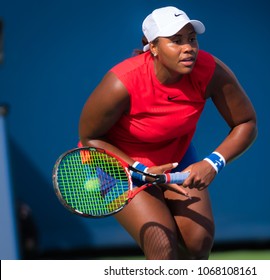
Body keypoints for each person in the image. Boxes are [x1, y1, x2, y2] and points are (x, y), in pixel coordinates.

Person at [78, 6, 257, 260]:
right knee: (162, 248)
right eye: (176, 41)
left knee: (198, 244)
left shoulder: (210, 71)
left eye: (192, 39)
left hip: (175, 156)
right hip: (114, 166)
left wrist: (212, 163)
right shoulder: (121, 82)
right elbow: (90, 138)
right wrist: (139, 169)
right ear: (153, 47)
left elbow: (246, 122)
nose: (188, 48)